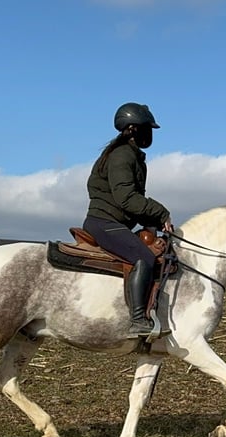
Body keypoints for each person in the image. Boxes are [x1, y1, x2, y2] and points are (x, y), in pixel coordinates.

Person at [83, 102, 173, 339]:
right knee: (143, 256)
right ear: (133, 129)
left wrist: (151, 223)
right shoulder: (122, 155)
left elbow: (132, 202)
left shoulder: (130, 155)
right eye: (147, 128)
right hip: (105, 223)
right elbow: (127, 199)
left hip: (114, 222)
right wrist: (161, 213)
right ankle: (137, 320)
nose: (150, 134)